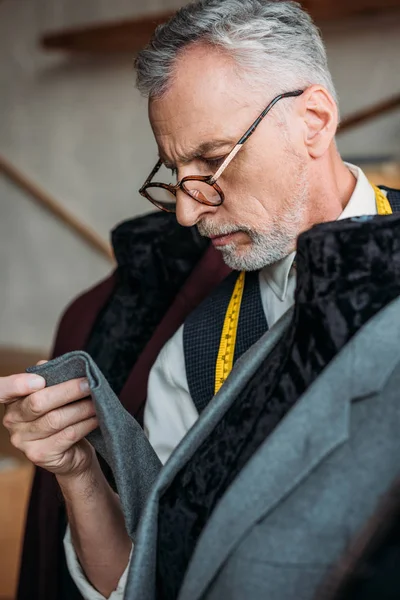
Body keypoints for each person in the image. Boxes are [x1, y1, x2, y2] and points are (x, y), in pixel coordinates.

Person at [2, 1, 399, 598]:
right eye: (176, 174)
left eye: (213, 161)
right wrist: (79, 473)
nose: (188, 212)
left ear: (313, 120)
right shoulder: (191, 355)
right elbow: (144, 579)